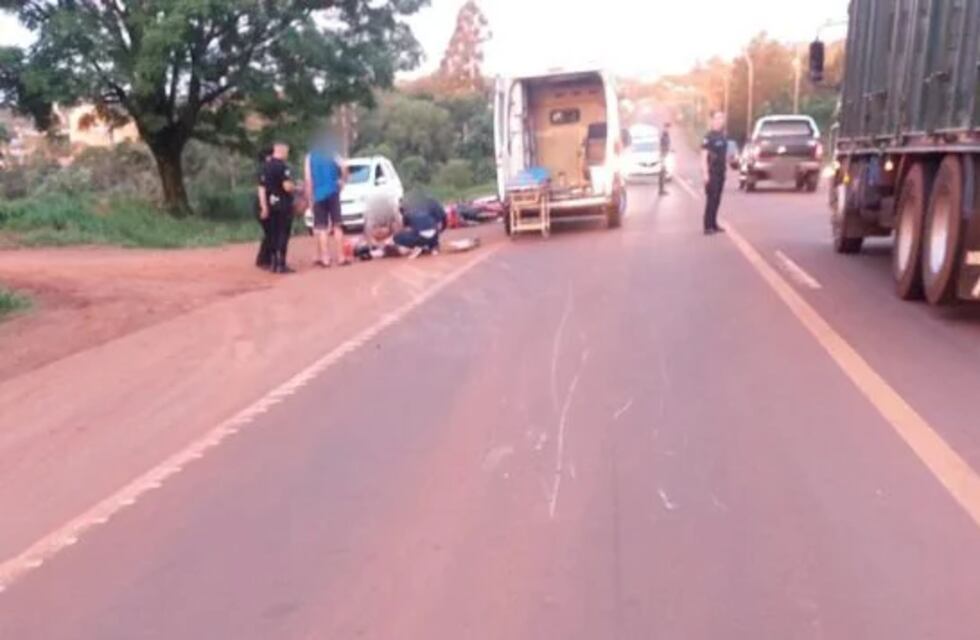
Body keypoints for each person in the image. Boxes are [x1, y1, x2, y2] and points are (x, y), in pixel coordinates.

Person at [304, 134, 348, 268]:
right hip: (333, 192)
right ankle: (341, 257)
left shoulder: (310, 157)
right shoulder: (332, 153)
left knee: (321, 227)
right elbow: (344, 166)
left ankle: (325, 258)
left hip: (318, 194)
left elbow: (308, 179)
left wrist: (310, 198)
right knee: (337, 225)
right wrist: (342, 181)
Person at [259, 142, 297, 273]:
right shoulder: (283, 167)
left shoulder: (265, 166)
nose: (287, 154)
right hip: (283, 205)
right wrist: (295, 187)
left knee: (273, 234)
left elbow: (261, 188)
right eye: (286, 152)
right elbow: (287, 186)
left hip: (270, 204)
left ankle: (273, 262)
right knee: (283, 234)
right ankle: (282, 263)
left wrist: (264, 207)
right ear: (281, 151)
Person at [393, 192, 448, 259]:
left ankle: (417, 246)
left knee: (397, 237)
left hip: (422, 235)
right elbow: (442, 219)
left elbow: (406, 228)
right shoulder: (428, 205)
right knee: (429, 228)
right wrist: (440, 230)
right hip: (434, 232)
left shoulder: (407, 212)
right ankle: (434, 246)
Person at [701, 111, 728, 235]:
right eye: (717, 118)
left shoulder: (722, 136)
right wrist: (705, 174)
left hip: (721, 171)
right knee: (711, 199)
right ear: (712, 120)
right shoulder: (708, 137)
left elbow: (724, 155)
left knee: (717, 199)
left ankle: (714, 223)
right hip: (712, 172)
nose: (719, 121)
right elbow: (703, 156)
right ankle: (707, 226)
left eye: (721, 118)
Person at [254, 147, 274, 269]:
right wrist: (264, 207)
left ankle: (265, 259)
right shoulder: (263, 170)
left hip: (267, 204)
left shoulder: (268, 170)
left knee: (270, 233)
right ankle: (263, 260)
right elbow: (261, 190)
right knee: (270, 233)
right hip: (262, 205)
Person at [659, 123, 671, 196]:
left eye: (668, 128)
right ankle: (661, 190)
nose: (668, 129)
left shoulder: (666, 135)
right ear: (664, 128)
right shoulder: (663, 136)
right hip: (663, 156)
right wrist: (662, 156)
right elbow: (662, 146)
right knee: (662, 173)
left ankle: (662, 189)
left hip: (665, 155)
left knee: (663, 173)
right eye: (667, 128)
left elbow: (667, 146)